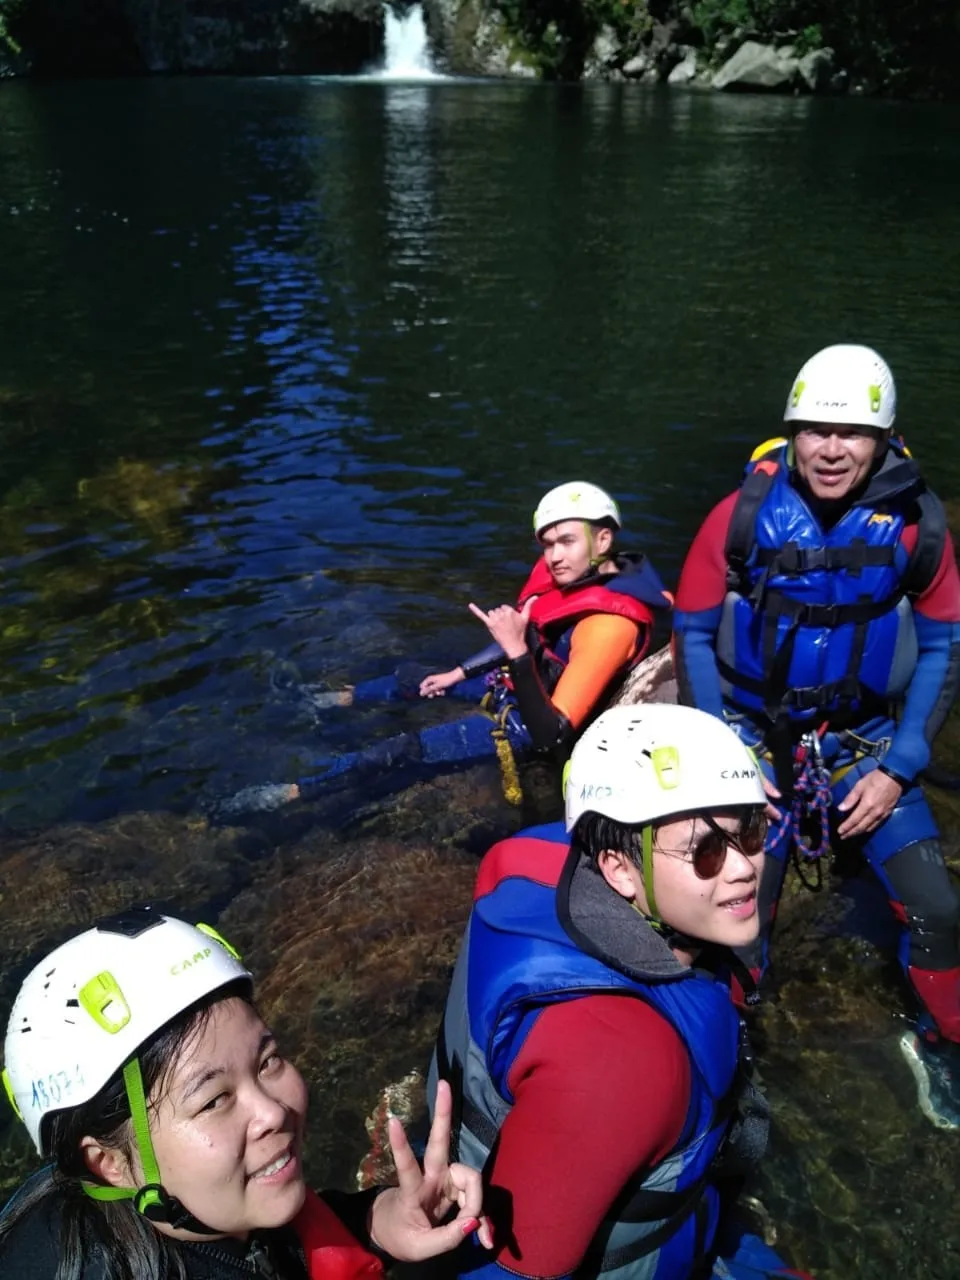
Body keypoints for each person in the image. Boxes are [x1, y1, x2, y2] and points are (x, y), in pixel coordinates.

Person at [672, 343, 960, 1129]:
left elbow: (943, 645)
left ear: (885, 439)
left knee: (939, 908)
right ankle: (731, 1059)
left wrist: (899, 767)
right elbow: (693, 631)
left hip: (863, 744)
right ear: (792, 432)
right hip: (755, 742)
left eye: (853, 433)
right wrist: (721, 753)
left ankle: (938, 1046)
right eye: (814, 429)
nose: (831, 449)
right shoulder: (740, 517)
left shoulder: (915, 528)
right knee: (735, 921)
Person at [429, 703, 811, 1280]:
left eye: (750, 831)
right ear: (618, 870)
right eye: (704, 850)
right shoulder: (621, 1061)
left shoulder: (536, 858)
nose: (743, 868)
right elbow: (518, 1269)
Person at [0, 906, 492, 1278]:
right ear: (109, 1165)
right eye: (213, 1100)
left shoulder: (209, 1209)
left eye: (268, 1061)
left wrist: (379, 1220)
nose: (272, 1112)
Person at [217, 483, 669, 819]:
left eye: (566, 541)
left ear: (604, 540)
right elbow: (530, 633)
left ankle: (295, 791)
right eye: (546, 543)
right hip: (519, 682)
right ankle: (330, 701)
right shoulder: (572, 575)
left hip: (529, 724)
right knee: (412, 677)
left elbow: (550, 733)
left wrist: (514, 654)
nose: (553, 556)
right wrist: (456, 674)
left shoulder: (608, 624)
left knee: (396, 751)